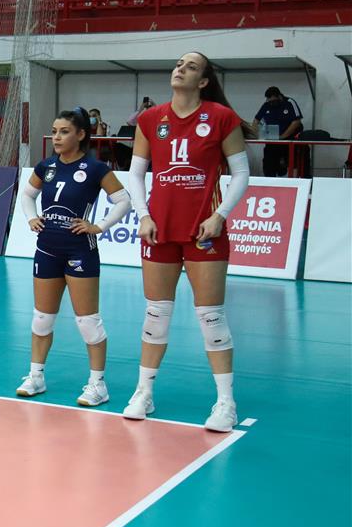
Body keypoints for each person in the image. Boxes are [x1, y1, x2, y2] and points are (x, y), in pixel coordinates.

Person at [125, 52, 249, 432]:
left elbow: (241, 172)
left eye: (191, 67)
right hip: (159, 230)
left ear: (204, 81)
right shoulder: (150, 119)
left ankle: (226, 403)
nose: (180, 69)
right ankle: (144, 392)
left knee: (211, 317)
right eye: (178, 64)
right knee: (156, 314)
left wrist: (220, 215)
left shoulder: (222, 117)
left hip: (204, 231)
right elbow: (136, 174)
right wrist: (143, 215)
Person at [16, 108, 132, 405]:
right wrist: (31, 218)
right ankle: (36, 376)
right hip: (46, 248)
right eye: (54, 131)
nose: (56, 137)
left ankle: (98, 385)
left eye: (64, 131)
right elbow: (27, 195)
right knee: (42, 319)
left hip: (80, 250)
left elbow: (123, 201)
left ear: (80, 135)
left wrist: (99, 226)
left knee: (88, 322)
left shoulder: (95, 169)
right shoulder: (45, 166)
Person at [253, 86, 304, 177]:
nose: (271, 103)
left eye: (273, 101)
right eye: (269, 101)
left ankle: (292, 182)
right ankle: (269, 181)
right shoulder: (267, 105)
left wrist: (283, 136)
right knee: (268, 164)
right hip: (271, 141)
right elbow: (256, 121)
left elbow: (297, 122)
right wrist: (255, 133)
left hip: (289, 141)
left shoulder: (289, 103)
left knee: (290, 163)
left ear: (279, 96)